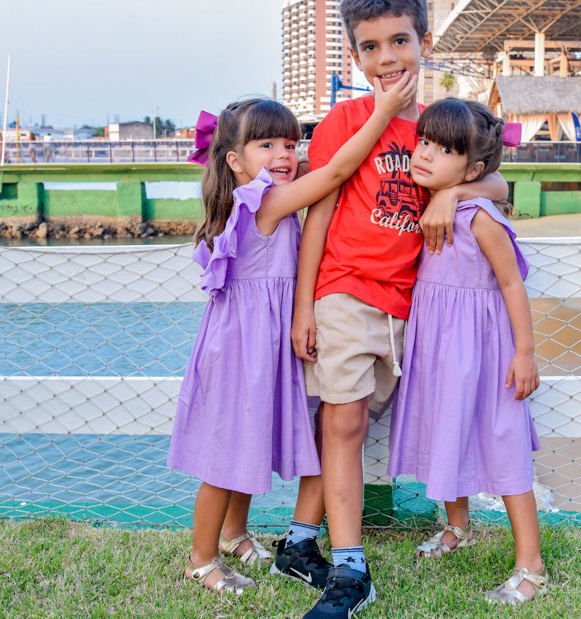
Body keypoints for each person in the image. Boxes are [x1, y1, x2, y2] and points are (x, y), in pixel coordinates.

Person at [285, 0, 510, 618]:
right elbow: (318, 216)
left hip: (403, 307)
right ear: (355, 57)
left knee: (350, 426)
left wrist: (450, 191)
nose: (387, 59)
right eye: (370, 47)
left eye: (400, 41)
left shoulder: (442, 128)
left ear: (424, 41)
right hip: (343, 292)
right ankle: (350, 569)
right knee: (344, 419)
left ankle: (299, 541)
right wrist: (305, 306)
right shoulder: (345, 120)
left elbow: (494, 183)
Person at [168, 77, 417, 597]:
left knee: (249, 440)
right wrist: (384, 111)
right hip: (244, 349)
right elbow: (339, 171)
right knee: (226, 454)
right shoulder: (264, 202)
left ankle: (236, 534)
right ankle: (200, 557)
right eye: (267, 145)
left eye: (289, 142)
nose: (284, 152)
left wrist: (294, 168)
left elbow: (314, 175)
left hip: (258, 343)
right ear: (235, 160)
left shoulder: (264, 192)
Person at [386, 99, 545, 605]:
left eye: (445, 149)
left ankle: (531, 564)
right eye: (425, 141)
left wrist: (525, 352)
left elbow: (512, 284)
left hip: (483, 352)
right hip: (435, 349)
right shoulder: (418, 195)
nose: (427, 154)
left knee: (502, 443)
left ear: (473, 168)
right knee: (443, 430)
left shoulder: (480, 217)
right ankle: (459, 526)